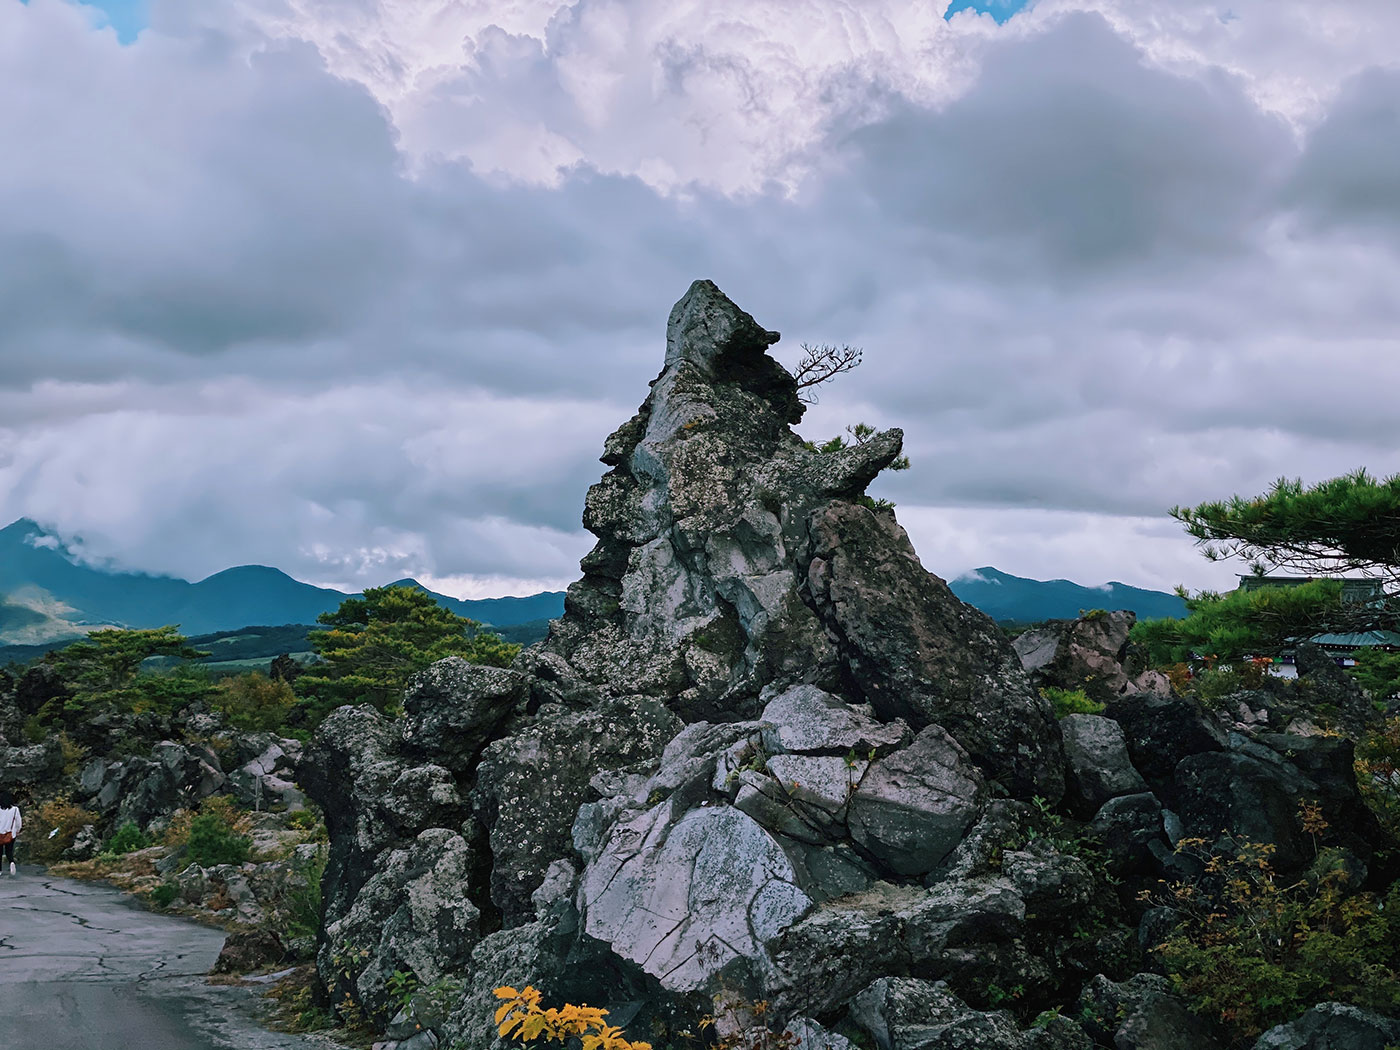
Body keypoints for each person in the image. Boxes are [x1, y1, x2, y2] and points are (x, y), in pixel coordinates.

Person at [0, 790, 20, 876]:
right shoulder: (15, 809)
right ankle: (11, 862)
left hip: (0, 834)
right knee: (9, 851)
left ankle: (0, 871)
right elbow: (19, 822)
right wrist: (17, 830)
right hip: (11, 834)